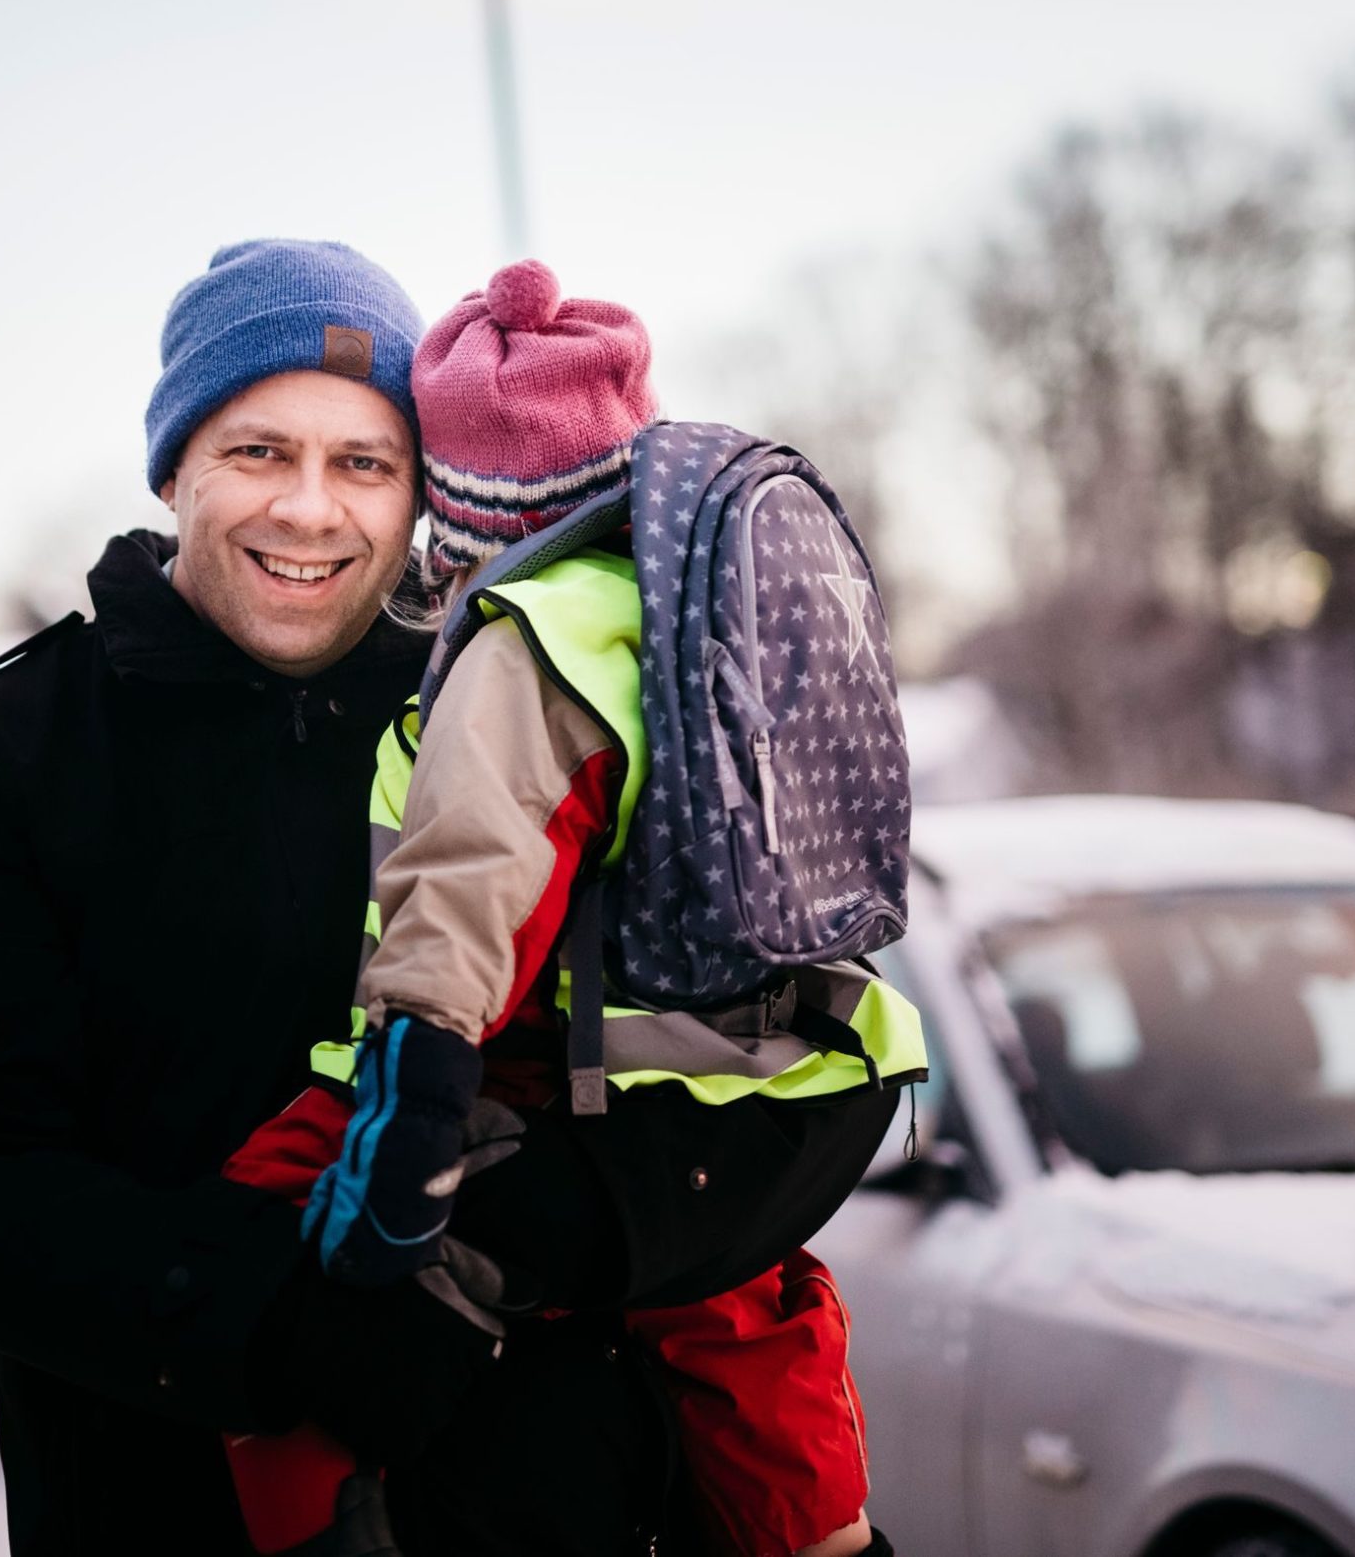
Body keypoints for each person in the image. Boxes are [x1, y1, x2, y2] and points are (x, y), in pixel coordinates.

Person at [0, 238, 900, 1556]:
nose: (310, 509)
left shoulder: (533, 697)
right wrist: (284, 1323)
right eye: (257, 451)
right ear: (175, 466)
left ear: (423, 491)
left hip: (584, 1505)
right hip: (174, 1510)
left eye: (364, 462)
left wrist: (567, 1221)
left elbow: (814, 1057)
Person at [215, 260, 924, 1557]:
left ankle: (310, 1535)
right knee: (742, 1318)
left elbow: (476, 882)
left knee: (268, 1225)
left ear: (473, 502)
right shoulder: (697, 604)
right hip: (775, 1070)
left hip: (586, 1082)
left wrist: (405, 1132)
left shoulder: (525, 637)